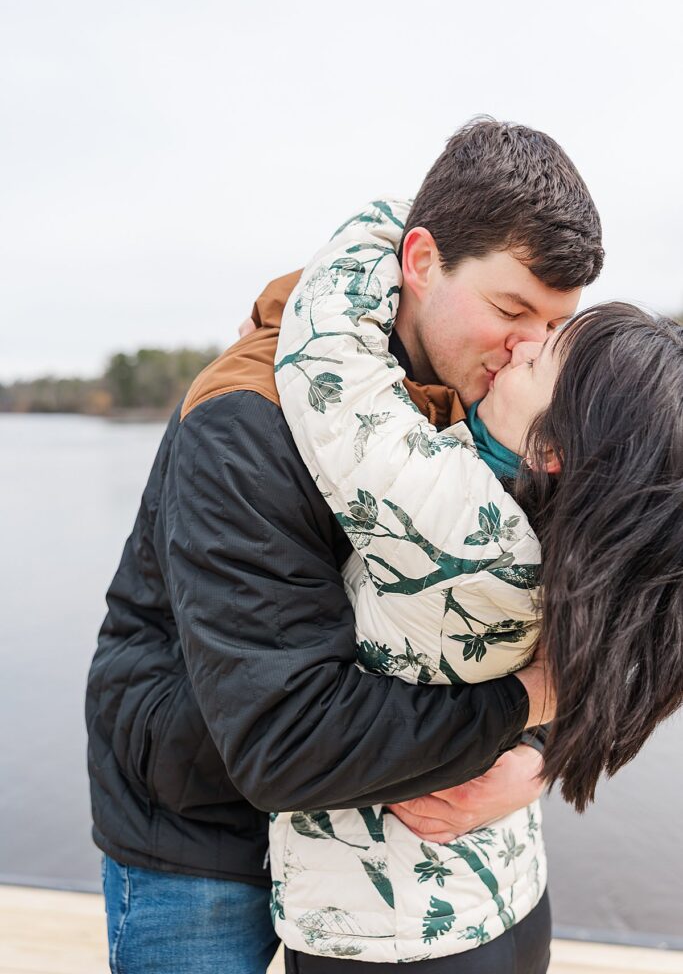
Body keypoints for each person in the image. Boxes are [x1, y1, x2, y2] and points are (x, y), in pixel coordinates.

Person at [85, 119, 604, 973]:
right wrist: (525, 706)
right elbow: (282, 736)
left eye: (550, 327)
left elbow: (531, 617)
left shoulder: (502, 408)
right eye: (510, 309)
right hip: (203, 826)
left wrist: (533, 759)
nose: (525, 349)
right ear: (421, 260)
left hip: (364, 835)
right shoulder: (244, 423)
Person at [266, 201, 683, 971]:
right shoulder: (588, 547)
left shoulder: (452, 515)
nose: (523, 344)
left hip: (395, 933)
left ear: (556, 445)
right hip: (509, 896)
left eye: (545, 353)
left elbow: (327, 362)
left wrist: (397, 222)